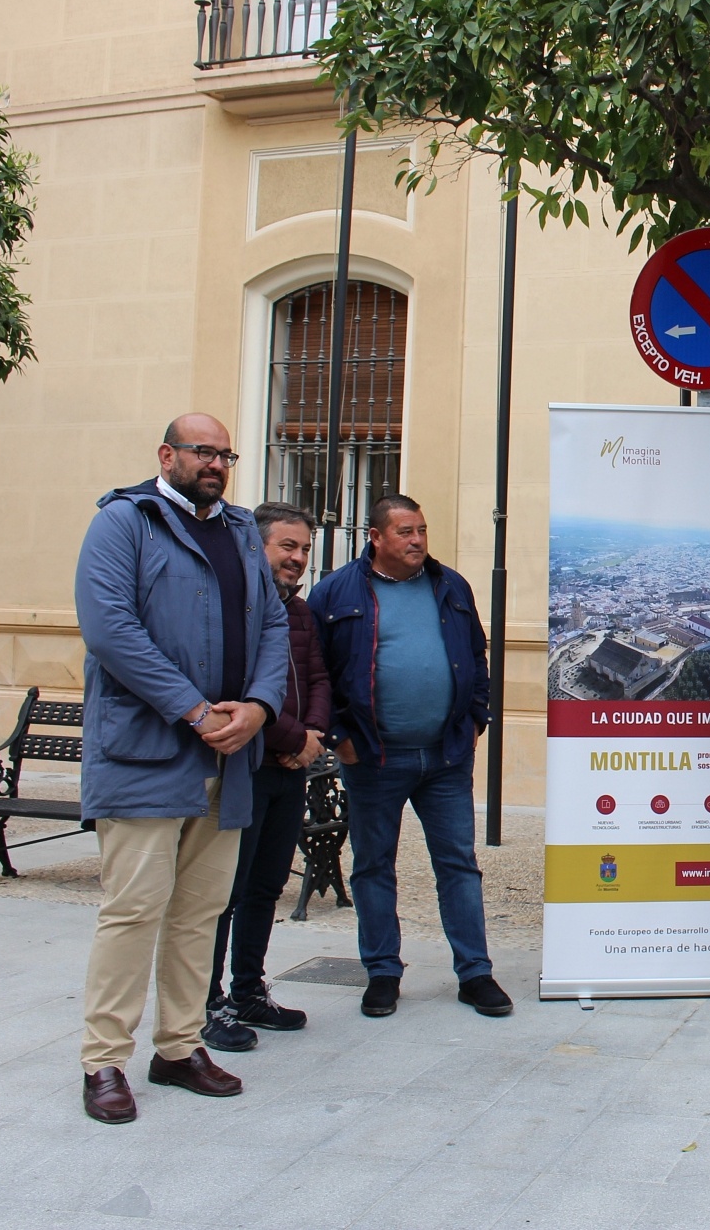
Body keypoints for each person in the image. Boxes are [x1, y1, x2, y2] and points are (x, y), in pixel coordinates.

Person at [72, 414, 289, 1124]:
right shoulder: (123, 522)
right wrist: (195, 711)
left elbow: (274, 626)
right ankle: (104, 1059)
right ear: (167, 455)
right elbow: (110, 629)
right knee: (133, 910)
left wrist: (257, 706)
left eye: (226, 453)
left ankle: (178, 1045)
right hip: (147, 752)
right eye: (204, 451)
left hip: (230, 757)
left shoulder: (236, 533)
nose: (217, 464)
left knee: (199, 912)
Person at [309, 494, 509, 1020]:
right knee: (374, 867)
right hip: (373, 758)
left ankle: (475, 973)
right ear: (375, 537)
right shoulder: (337, 592)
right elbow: (312, 672)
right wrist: (337, 736)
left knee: (459, 866)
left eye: (421, 529)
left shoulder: (451, 586)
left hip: (445, 757)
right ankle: (382, 973)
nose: (417, 540)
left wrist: (475, 719)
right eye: (404, 531)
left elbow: (477, 657)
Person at [202, 503, 333, 1052]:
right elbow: (237, 692)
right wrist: (291, 739)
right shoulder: (237, 607)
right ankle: (205, 1004)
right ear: (258, 547)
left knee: (265, 887)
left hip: (289, 770)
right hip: (244, 769)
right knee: (220, 893)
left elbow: (320, 677)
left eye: (304, 549)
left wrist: (313, 737)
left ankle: (249, 989)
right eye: (288, 547)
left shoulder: (299, 612)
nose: (299, 559)